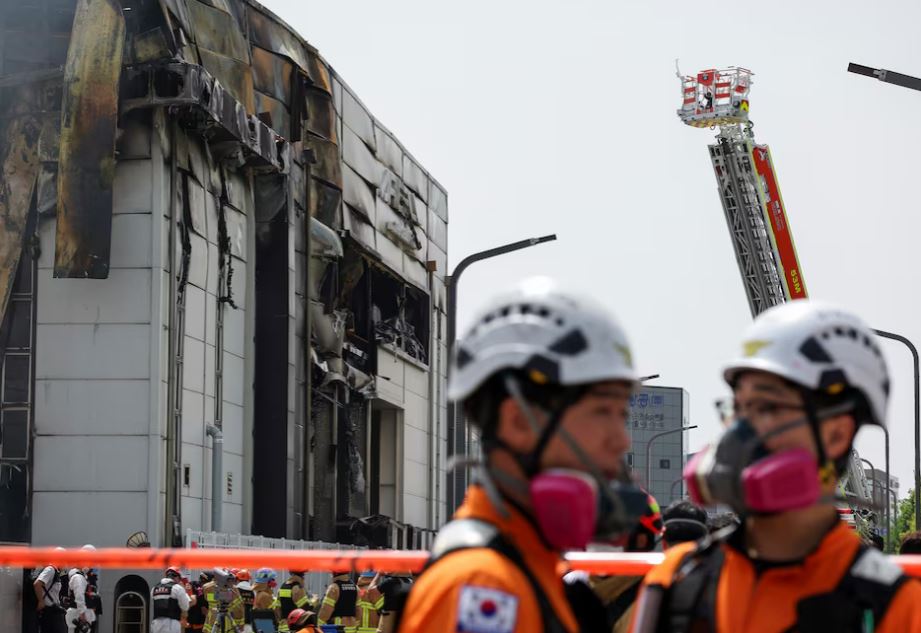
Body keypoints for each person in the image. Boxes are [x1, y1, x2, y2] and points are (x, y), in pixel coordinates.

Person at [631, 300, 921, 632]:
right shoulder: (677, 582)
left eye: (767, 407)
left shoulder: (892, 608)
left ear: (837, 434)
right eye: (739, 407)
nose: (741, 429)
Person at [398, 278, 646, 633]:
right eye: (603, 411)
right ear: (518, 421)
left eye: (623, 415)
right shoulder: (484, 588)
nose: (622, 441)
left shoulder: (532, 568)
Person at [585, 492, 663, 633]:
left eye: (613, 530)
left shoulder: (656, 600)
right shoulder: (568, 586)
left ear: (641, 540)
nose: (600, 538)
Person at [64, 545, 97, 633]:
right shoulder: (78, 577)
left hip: (80, 614)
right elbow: (79, 595)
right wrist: (82, 613)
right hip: (79, 616)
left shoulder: (81, 576)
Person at [34, 547, 68, 633]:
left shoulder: (56, 571)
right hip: (49, 613)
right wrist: (41, 601)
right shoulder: (50, 569)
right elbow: (37, 583)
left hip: (55, 612)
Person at [203, 569, 244, 633]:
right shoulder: (234, 589)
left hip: (211, 624)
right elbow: (239, 609)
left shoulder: (206, 587)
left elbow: (208, 598)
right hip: (228, 626)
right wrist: (240, 625)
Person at [152, 567, 191, 633]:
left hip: (156, 625)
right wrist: (184, 591)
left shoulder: (154, 589)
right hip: (172, 625)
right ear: (177, 577)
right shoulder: (177, 588)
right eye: (180, 579)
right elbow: (185, 606)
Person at [252, 568, 281, 633]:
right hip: (266, 627)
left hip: (263, 625)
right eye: (273, 579)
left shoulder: (260, 593)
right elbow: (274, 613)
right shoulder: (264, 596)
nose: (274, 581)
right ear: (268, 582)